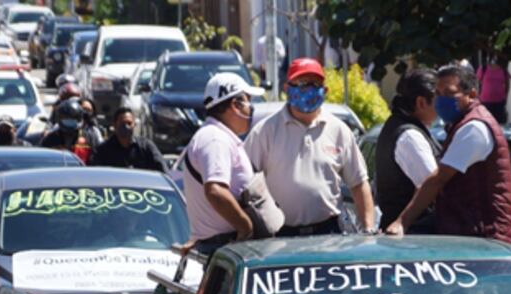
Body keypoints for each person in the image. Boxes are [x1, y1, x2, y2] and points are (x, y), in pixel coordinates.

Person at [244, 57, 374, 236]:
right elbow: (244, 183)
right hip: (280, 235)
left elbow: (359, 183)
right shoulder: (265, 132)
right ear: (286, 89)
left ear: (325, 90)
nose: (308, 89)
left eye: (314, 84)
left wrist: (368, 229)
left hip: (329, 234)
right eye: (302, 83)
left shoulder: (339, 130)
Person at [385, 64, 511, 243]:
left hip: (483, 239)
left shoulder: (473, 128)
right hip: (471, 235)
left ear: (472, 95)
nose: (440, 100)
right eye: (438, 93)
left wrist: (402, 222)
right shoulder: (461, 125)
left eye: (449, 93)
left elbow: (437, 180)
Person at [182, 73, 263, 255]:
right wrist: (246, 227)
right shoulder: (215, 139)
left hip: (222, 244)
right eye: (248, 102)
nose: (251, 109)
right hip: (223, 245)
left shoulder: (215, 136)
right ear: (235, 105)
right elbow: (216, 191)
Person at [375, 68, 441, 231]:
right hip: (414, 236)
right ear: (421, 102)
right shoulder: (410, 137)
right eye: (439, 98)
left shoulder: (399, 126)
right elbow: (433, 187)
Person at [90, 107, 167, 171]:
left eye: (129, 123)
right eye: (122, 124)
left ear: (134, 125)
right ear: (114, 125)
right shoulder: (103, 151)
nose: (126, 127)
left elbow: (163, 170)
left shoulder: (146, 147)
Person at [40, 99, 101, 164]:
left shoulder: (90, 136)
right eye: (66, 118)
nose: (70, 120)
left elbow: (97, 159)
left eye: (74, 117)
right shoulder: (50, 139)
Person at [476, 56, 509, 124]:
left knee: (499, 123)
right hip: (485, 102)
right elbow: (476, 82)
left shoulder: (503, 70)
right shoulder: (483, 69)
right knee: (486, 123)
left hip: (499, 103)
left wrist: (505, 97)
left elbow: (507, 85)